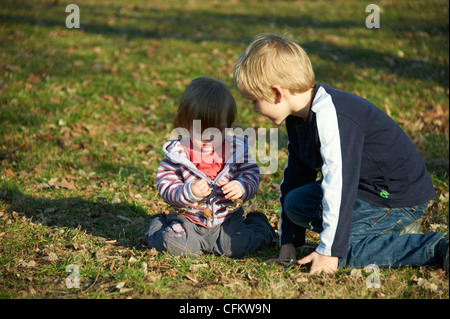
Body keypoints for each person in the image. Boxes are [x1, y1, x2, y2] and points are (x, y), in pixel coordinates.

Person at [233, 33, 449, 274]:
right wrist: (289, 242)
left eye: (253, 100)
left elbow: (339, 185)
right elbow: (295, 178)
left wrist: (329, 251)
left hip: (397, 197)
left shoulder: (330, 115)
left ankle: (434, 245)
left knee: (344, 254)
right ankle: (375, 230)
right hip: (363, 191)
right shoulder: (297, 118)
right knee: (296, 202)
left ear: (276, 93)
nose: (253, 108)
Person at [145, 77, 274, 258]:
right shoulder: (178, 154)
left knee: (236, 247)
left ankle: (259, 224)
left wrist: (242, 186)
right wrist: (188, 191)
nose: (209, 139)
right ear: (185, 124)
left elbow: (251, 172)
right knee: (175, 246)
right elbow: (165, 184)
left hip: (227, 220)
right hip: (188, 220)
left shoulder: (234, 151)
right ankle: (158, 225)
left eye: (218, 131)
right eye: (201, 132)